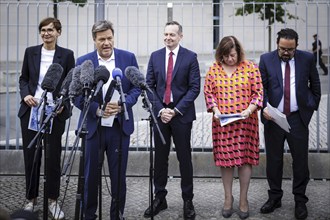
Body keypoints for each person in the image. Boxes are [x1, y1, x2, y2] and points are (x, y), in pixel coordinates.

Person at [74, 20, 140, 220]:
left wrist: (123, 104)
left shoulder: (128, 58)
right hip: (93, 128)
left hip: (119, 128)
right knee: (90, 177)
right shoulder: (83, 62)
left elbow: (136, 87)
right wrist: (95, 110)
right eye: (101, 39)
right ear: (94, 40)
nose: (106, 43)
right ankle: (89, 215)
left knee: (118, 178)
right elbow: (76, 94)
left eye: (109, 38)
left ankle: (116, 216)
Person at [259, 28, 321, 220]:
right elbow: (261, 88)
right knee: (274, 161)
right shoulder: (266, 59)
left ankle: (300, 201)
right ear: (277, 44)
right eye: (282, 48)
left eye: (290, 49)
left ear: (297, 46)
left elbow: (315, 86)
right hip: (274, 118)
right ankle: (275, 197)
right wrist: (265, 108)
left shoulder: (307, 59)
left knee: (300, 161)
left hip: (297, 118)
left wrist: (309, 107)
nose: (286, 52)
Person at [18, 17, 75, 220]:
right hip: (31, 111)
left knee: (52, 158)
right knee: (31, 157)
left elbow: (71, 84)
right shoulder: (30, 52)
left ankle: (52, 200)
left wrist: (62, 105)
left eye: (50, 30)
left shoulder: (66, 55)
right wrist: (25, 95)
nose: (46, 33)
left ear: (58, 32)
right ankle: (30, 199)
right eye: (43, 30)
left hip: (54, 113)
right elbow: (23, 78)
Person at [144, 21, 200, 220]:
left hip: (181, 116)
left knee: (184, 158)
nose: (168, 38)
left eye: (172, 35)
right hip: (160, 117)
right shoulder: (155, 56)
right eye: (165, 34)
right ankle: (160, 197)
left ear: (180, 36)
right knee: (160, 159)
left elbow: (194, 88)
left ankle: (188, 200)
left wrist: (175, 110)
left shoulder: (190, 57)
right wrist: (161, 110)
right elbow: (148, 87)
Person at [203, 36, 263, 219]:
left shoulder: (250, 68)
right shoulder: (214, 70)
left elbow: (258, 92)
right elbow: (208, 93)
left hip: (246, 124)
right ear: (220, 54)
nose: (230, 59)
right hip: (223, 126)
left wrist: (249, 109)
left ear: (239, 52)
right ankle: (228, 198)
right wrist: (215, 109)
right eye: (226, 55)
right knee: (225, 162)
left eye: (233, 55)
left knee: (245, 161)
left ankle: (243, 200)